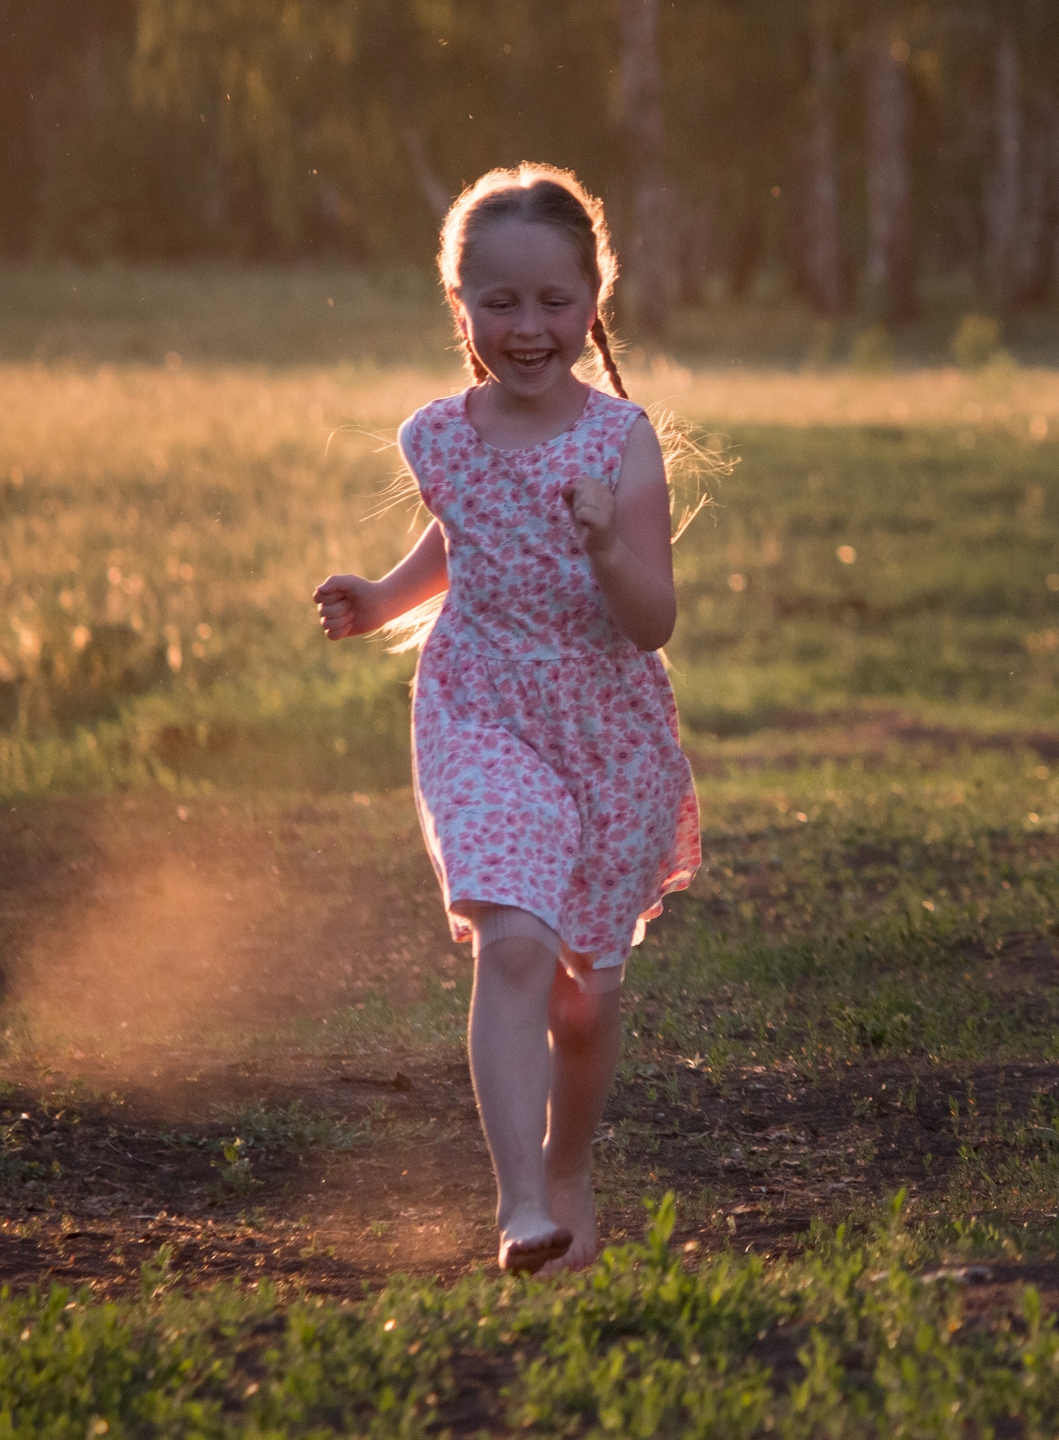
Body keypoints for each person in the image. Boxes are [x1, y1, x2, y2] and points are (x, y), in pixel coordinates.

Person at [311, 164, 699, 1276]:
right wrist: (383, 599)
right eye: (500, 303)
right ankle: (521, 1204)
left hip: (605, 732)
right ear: (461, 305)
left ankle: (567, 1166)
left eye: (553, 302)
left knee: (585, 1002)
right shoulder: (440, 437)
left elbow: (653, 621)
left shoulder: (621, 442)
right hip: (480, 712)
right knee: (514, 942)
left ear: (593, 300)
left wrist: (605, 545)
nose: (528, 328)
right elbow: (464, 535)